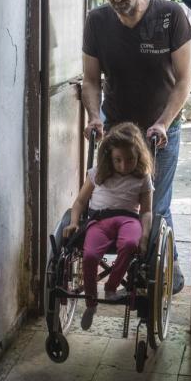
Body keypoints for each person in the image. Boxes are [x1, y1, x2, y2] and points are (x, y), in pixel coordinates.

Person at [82, 0, 191, 294]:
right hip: (117, 133)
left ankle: (163, 274)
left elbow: (185, 79)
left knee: (154, 205)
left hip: (161, 130)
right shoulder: (97, 22)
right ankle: (132, 270)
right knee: (110, 201)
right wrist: (93, 118)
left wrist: (163, 121)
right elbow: (90, 80)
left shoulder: (170, 16)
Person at [62, 123, 154, 330]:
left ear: (139, 156)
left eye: (130, 159)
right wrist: (74, 222)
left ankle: (111, 287)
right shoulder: (97, 174)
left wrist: (145, 236)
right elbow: (78, 203)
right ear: (109, 158)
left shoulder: (142, 177)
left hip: (129, 219)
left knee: (130, 243)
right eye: (118, 160)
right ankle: (91, 303)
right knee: (90, 256)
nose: (124, 165)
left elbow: (147, 211)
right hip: (99, 221)